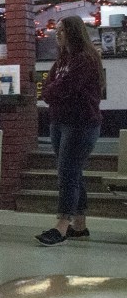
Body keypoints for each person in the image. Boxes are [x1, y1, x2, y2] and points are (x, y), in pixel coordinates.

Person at [36, 15, 102, 246]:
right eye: (57, 30)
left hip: (81, 123)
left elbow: (66, 87)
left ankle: (61, 226)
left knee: (67, 173)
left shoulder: (85, 59)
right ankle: (80, 226)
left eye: (62, 30)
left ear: (74, 32)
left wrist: (52, 92)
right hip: (59, 121)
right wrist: (52, 91)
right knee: (73, 173)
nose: (57, 34)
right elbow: (48, 86)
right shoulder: (63, 59)